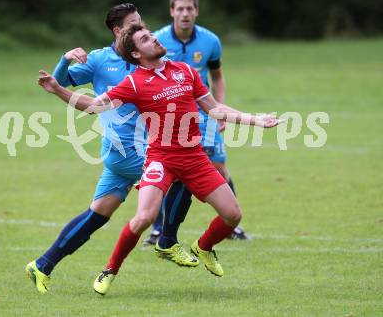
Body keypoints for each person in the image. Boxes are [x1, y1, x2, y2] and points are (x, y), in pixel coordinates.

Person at [37, 23, 283, 295]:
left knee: (233, 215)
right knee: (144, 218)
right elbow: (94, 106)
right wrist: (58, 89)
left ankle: (203, 247)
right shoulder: (133, 83)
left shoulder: (185, 71)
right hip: (160, 159)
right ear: (135, 54)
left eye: (151, 34)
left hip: (195, 158)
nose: (154, 38)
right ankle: (110, 269)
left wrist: (256, 120)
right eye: (145, 38)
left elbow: (215, 109)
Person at [25, 4, 198, 294]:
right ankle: (167, 241)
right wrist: (64, 59)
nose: (141, 29)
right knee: (183, 174)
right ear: (119, 32)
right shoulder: (99, 60)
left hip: (131, 150)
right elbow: (61, 81)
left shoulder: (146, 58)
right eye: (134, 25)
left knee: (98, 214)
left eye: (141, 23)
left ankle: (42, 264)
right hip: (129, 150)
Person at [143, 0, 248, 250]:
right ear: (172, 12)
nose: (185, 13)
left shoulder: (211, 41)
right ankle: (158, 231)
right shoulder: (157, 41)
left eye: (190, 9)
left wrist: (220, 108)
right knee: (165, 172)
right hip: (168, 120)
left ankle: (231, 224)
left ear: (196, 11)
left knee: (219, 167)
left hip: (204, 112)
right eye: (180, 9)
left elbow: (218, 77)